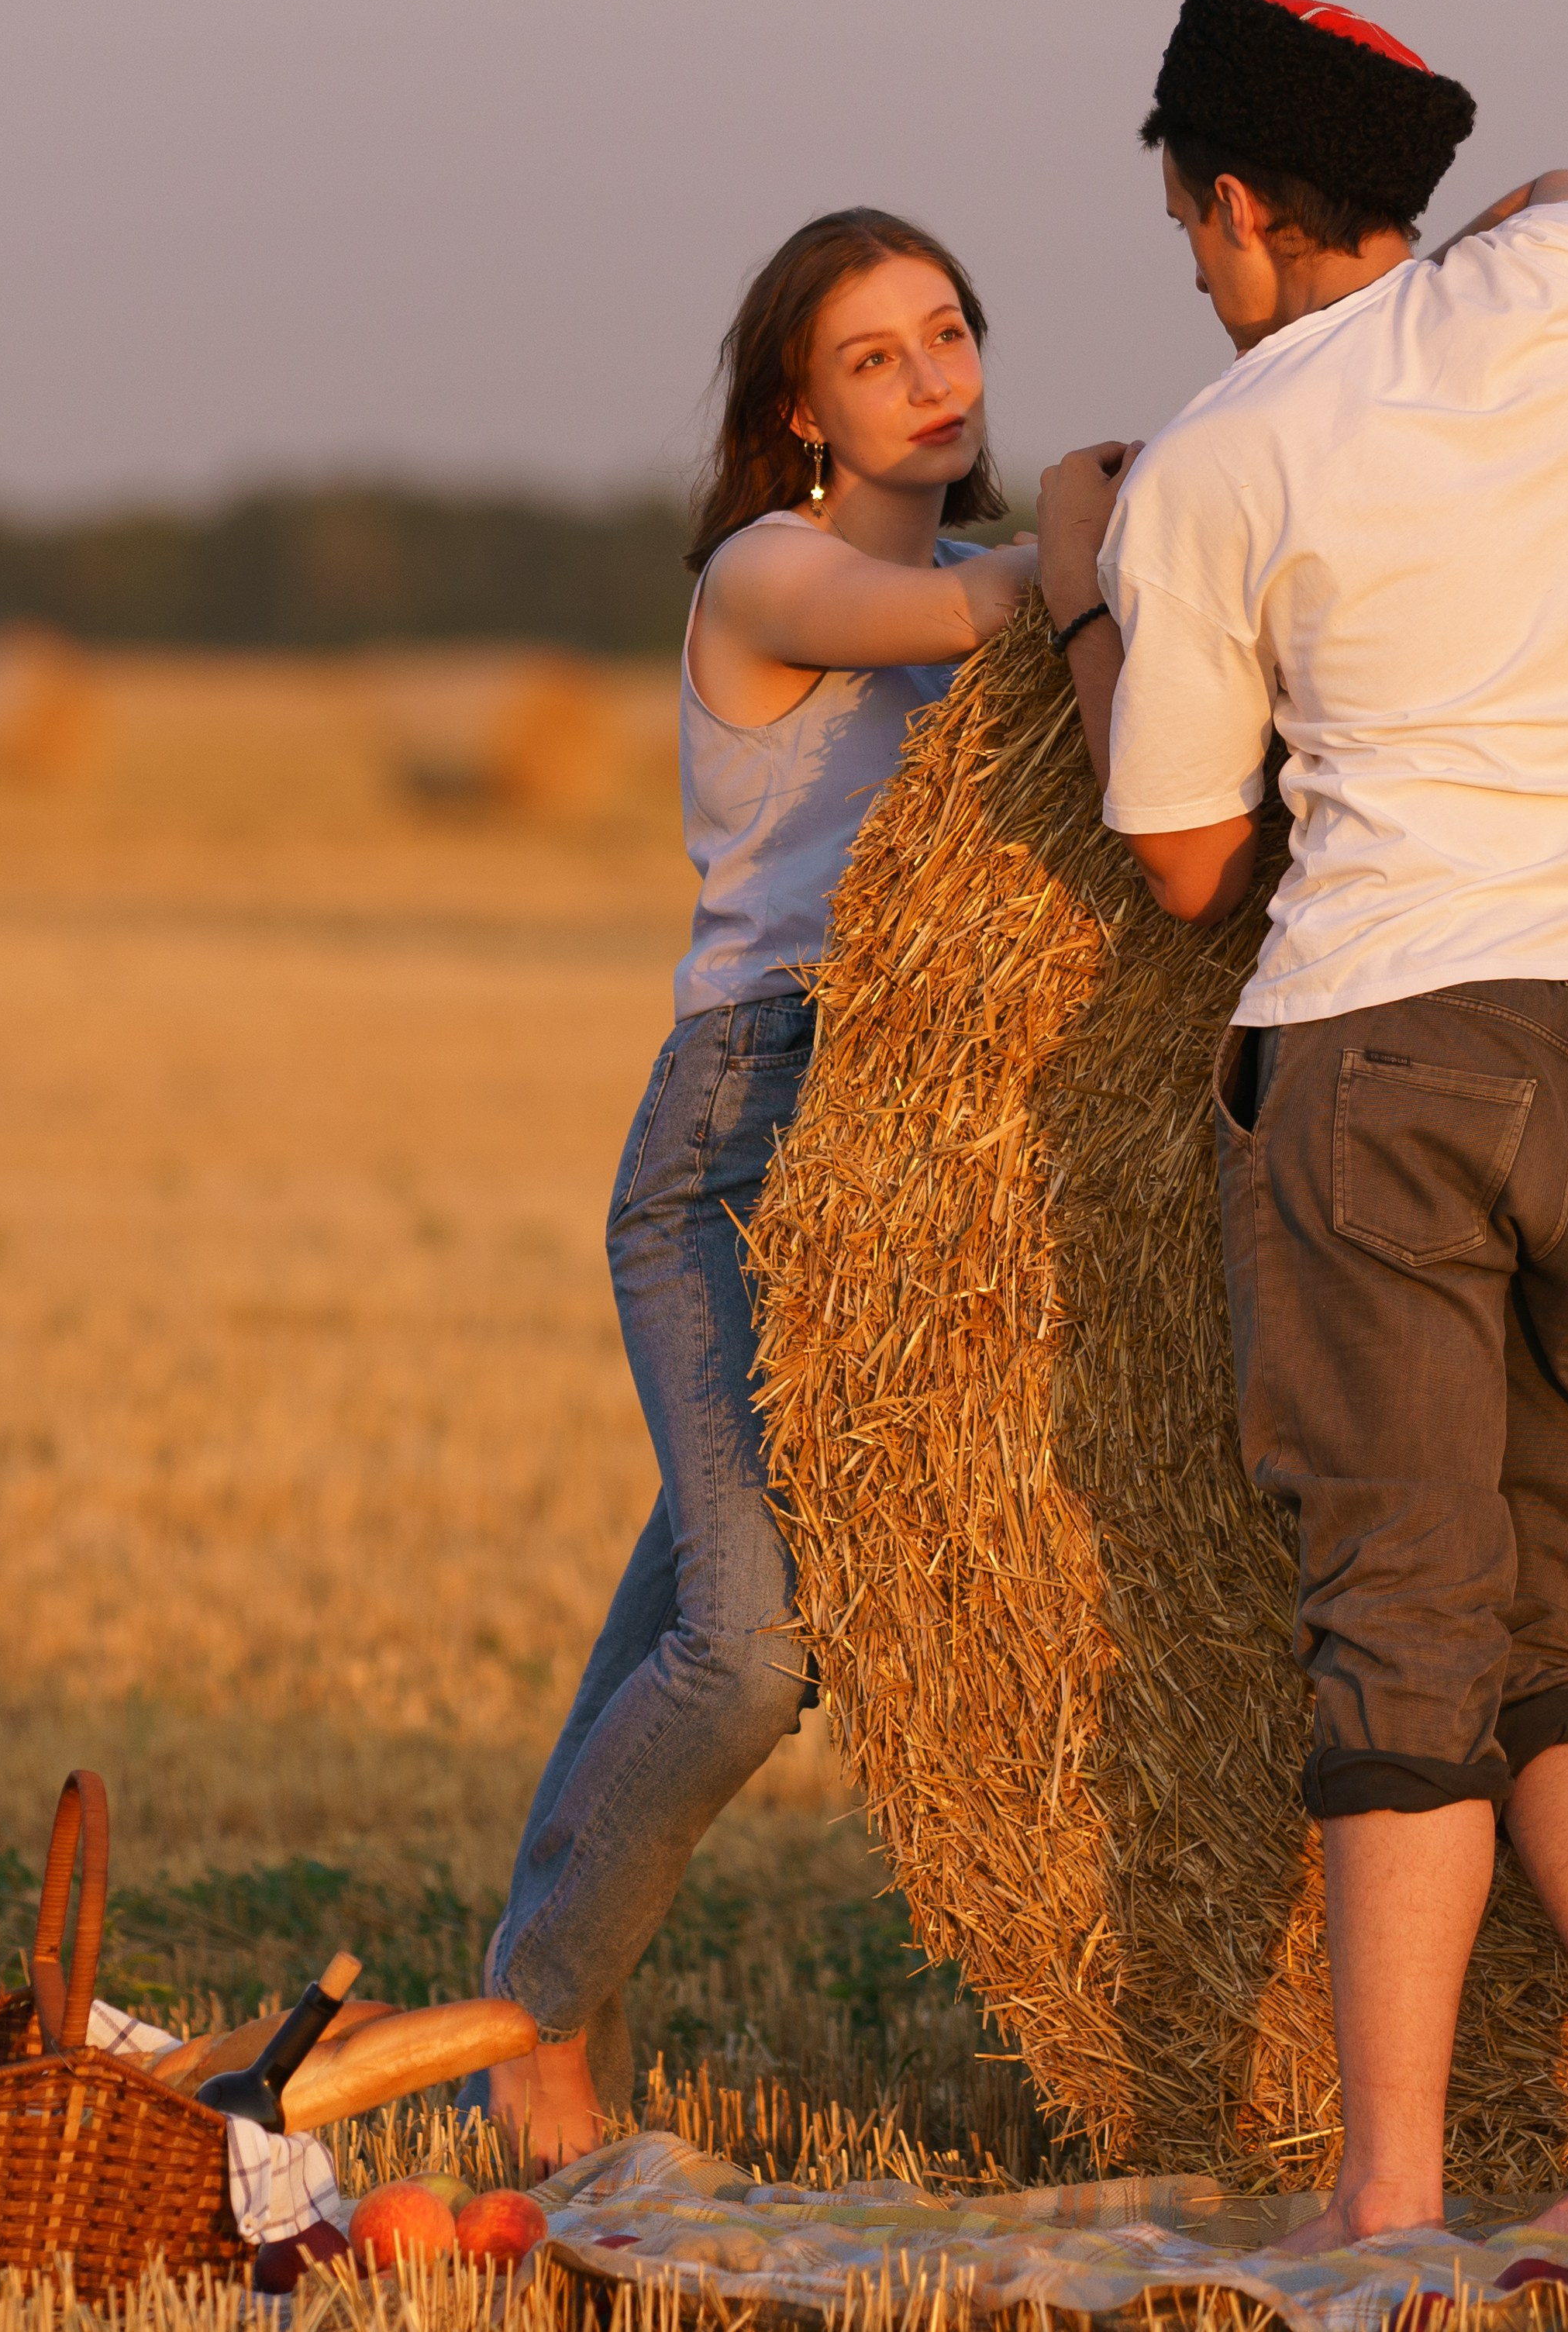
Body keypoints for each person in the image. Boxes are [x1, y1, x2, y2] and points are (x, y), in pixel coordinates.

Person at [1036, 0, 1568, 2247]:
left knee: (1398, 1630)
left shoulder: (1222, 454)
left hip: (1384, 1056)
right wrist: (1491, 217)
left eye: (1188, 232)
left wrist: (1077, 588)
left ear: (1238, 209)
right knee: (1558, 1630)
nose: (1193, 275)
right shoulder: (1556, 290)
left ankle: (1389, 2191)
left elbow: (1177, 864)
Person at [472, 207, 1036, 2166]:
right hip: (733, 1143)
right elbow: (993, 611)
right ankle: (534, 2020)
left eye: (949, 331)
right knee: (749, 1647)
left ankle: (529, 1991)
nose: (933, 374)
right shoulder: (773, 573)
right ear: (798, 405)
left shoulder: (988, 578)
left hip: (890, 1163)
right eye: (877, 354)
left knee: (670, 1635)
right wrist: (1142, 517)